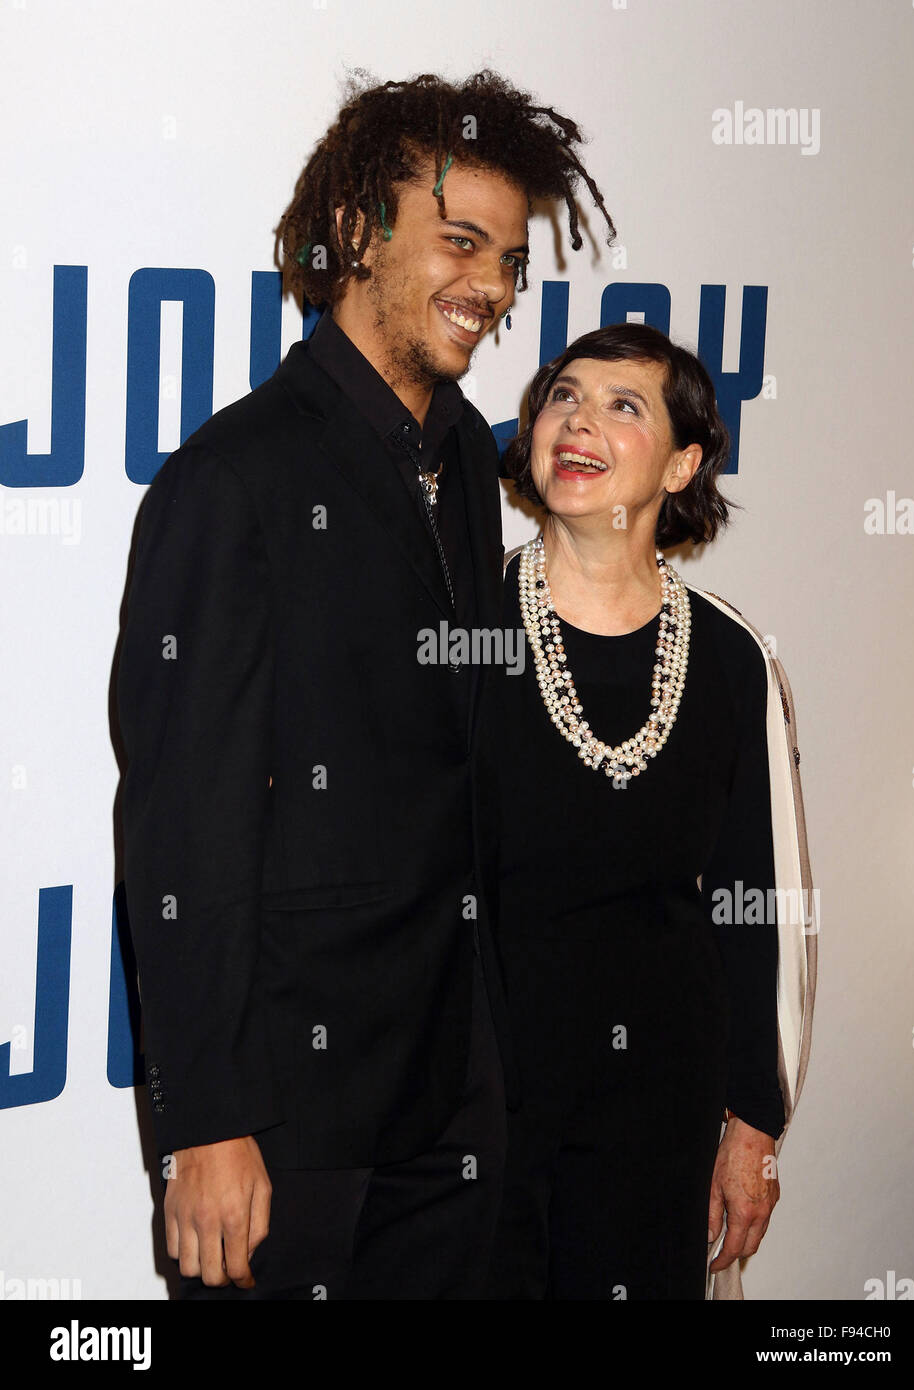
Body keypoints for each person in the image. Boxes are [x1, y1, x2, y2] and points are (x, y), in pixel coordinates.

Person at [116, 70, 616, 1300]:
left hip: (447, 1098)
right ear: (355, 231)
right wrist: (205, 1121)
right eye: (459, 242)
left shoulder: (459, 451)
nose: (492, 289)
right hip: (285, 1122)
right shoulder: (232, 479)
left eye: (506, 258)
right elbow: (180, 825)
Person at [487, 323, 815, 1300]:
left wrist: (751, 1126)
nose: (578, 420)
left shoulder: (727, 658)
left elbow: (762, 902)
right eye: (563, 396)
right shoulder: (459, 623)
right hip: (473, 1119)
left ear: (681, 462)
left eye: (621, 405)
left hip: (655, 1125)